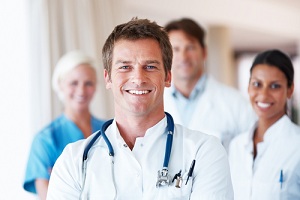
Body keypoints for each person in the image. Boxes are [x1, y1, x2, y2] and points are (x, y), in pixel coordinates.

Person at [46, 18, 233, 199]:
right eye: (125, 67)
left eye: (150, 66)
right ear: (108, 78)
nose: (138, 78)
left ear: (168, 77)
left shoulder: (204, 152)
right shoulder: (74, 161)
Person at [23, 50, 105, 200]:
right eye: (74, 83)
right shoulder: (45, 140)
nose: (81, 90)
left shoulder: (109, 130)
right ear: (60, 85)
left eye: (88, 83)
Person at [164, 18, 257, 150]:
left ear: (204, 52)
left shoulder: (236, 103)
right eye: (176, 49)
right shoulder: (155, 101)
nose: (183, 57)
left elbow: (254, 153)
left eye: (190, 47)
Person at [228, 49, 300, 199]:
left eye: (275, 86)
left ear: (290, 89)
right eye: (257, 84)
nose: (264, 94)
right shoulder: (236, 146)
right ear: (248, 87)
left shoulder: (296, 145)